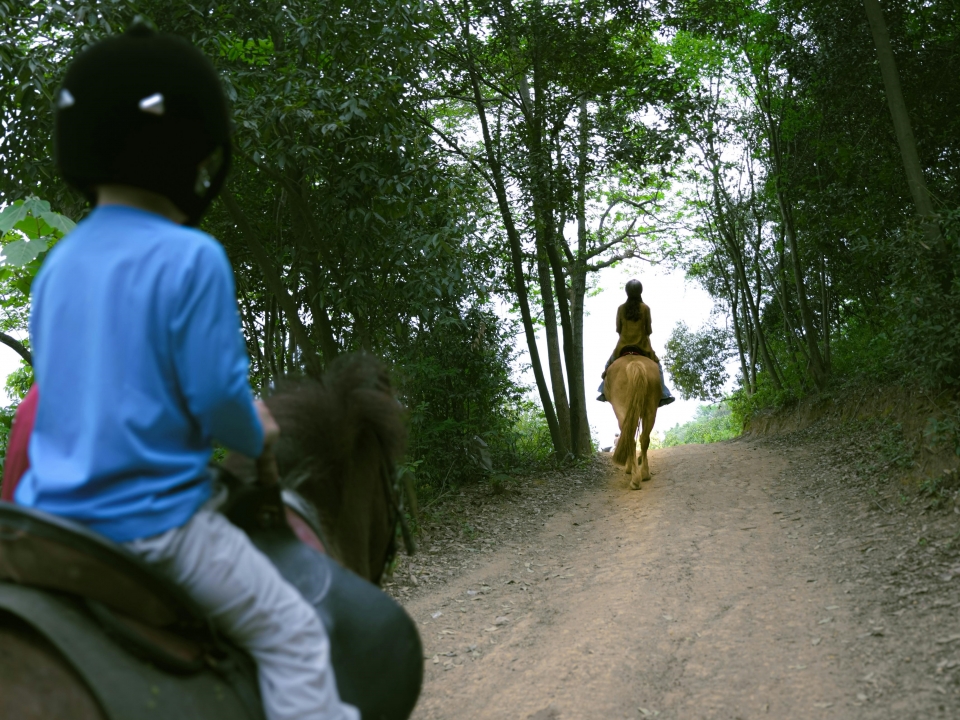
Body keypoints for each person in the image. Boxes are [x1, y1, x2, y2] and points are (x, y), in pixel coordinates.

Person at [14, 26, 358, 720]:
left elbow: (62, 393)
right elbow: (215, 401)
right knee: (294, 636)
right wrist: (255, 429)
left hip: (49, 525)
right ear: (189, 155)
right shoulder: (191, 256)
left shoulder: (57, 270)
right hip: (158, 528)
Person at [596, 279, 675, 407]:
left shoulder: (621, 308)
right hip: (643, 346)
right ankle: (664, 394)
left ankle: (603, 391)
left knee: (608, 366)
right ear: (640, 291)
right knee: (658, 368)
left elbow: (618, 330)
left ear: (626, 292)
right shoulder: (645, 308)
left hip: (622, 346)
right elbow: (648, 330)